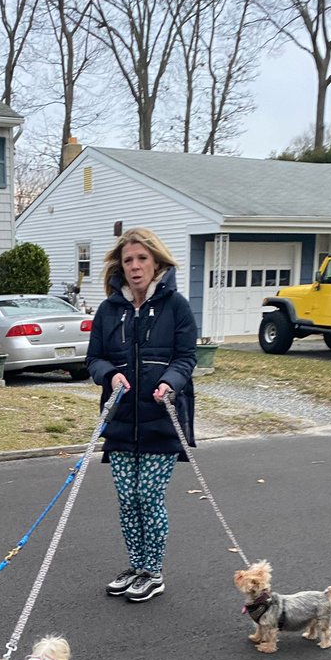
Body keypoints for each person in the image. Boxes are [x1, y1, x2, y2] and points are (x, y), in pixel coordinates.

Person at [85, 227, 197, 602]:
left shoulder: (176, 306)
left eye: (142, 259)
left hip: (162, 419)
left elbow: (185, 358)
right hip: (120, 422)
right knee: (127, 499)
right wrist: (109, 374)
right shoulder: (108, 309)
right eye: (128, 260)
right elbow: (94, 358)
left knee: (148, 496)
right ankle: (136, 566)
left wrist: (169, 381)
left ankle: (154, 570)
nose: (134, 267)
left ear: (157, 262)